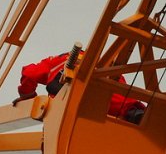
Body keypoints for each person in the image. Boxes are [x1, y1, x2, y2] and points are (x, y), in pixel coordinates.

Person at [17, 52, 146, 123]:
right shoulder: (103, 61)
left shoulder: (54, 62)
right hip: (111, 101)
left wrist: (27, 96)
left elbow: (29, 73)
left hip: (71, 103)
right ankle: (136, 115)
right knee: (123, 105)